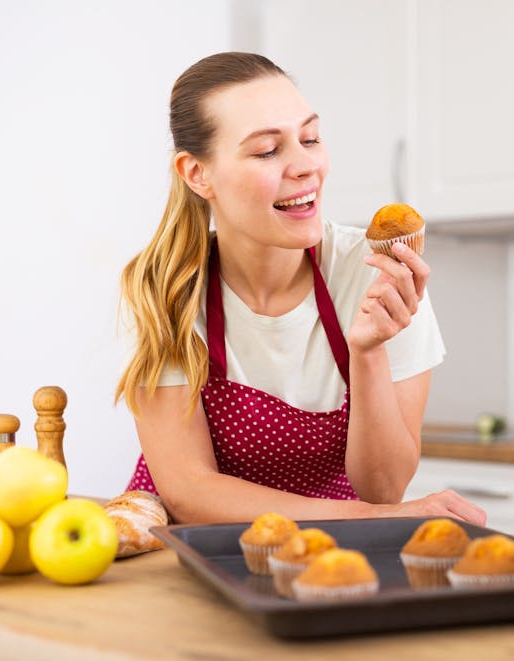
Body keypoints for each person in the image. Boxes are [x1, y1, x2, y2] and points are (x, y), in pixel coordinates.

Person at [115, 52, 484, 526]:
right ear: (198, 174)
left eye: (310, 138)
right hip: (193, 556)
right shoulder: (165, 287)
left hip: (322, 554)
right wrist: (371, 519)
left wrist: (367, 353)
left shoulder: (380, 273)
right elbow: (190, 490)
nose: (305, 165)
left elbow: (384, 488)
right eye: (268, 150)